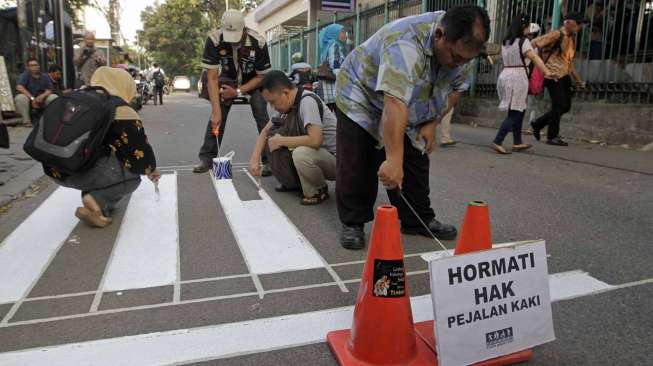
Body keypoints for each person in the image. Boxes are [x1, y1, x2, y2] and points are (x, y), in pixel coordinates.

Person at [335, 6, 490, 249]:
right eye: (456, 58)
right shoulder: (404, 43)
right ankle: (353, 222)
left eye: (465, 60)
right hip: (360, 94)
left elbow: (457, 89)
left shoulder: (462, 51)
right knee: (358, 159)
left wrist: (432, 122)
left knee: (416, 158)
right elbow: (394, 103)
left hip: (410, 102)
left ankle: (417, 220)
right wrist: (393, 160)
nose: (458, 65)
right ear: (439, 35)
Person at [44, 67, 160, 228]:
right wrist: (150, 169)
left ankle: (98, 210)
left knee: (105, 157)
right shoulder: (120, 109)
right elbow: (138, 150)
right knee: (132, 177)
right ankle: (96, 200)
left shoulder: (74, 98)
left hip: (55, 169)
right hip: (83, 169)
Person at [194, 9, 271, 175]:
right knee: (217, 115)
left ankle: (270, 159)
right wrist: (215, 111)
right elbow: (212, 78)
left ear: (244, 29)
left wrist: (237, 91)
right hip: (228, 79)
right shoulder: (214, 40)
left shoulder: (258, 43)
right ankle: (207, 158)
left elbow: (261, 77)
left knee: (261, 113)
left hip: (254, 82)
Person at [249, 71, 337, 205]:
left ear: (285, 92)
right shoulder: (287, 104)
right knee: (272, 137)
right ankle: (293, 183)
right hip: (319, 155)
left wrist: (282, 141)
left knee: (299, 152)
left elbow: (315, 140)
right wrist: (255, 159)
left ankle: (318, 189)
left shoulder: (307, 102)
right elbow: (265, 131)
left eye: (273, 102)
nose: (273, 107)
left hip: (337, 161)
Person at [492, 15, 553, 154]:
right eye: (527, 27)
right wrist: (547, 72)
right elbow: (534, 57)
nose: (528, 30)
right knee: (515, 112)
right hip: (518, 77)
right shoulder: (524, 42)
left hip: (505, 75)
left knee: (517, 109)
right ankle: (498, 140)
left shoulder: (505, 42)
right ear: (522, 28)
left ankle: (517, 142)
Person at [530, 12, 588, 146]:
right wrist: (536, 62)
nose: (580, 27)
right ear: (568, 22)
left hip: (564, 74)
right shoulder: (556, 34)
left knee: (566, 106)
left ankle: (538, 124)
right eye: (578, 23)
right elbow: (534, 43)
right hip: (552, 74)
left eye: (581, 24)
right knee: (559, 104)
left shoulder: (572, 38)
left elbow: (568, 61)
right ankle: (552, 136)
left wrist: (578, 80)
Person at [14, 58, 57, 127]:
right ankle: (26, 121)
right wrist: (32, 99)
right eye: (31, 65)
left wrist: (42, 96)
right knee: (20, 98)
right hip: (29, 99)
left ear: (39, 66)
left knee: (53, 97)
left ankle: (51, 120)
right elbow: (19, 87)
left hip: (42, 100)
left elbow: (50, 89)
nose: (34, 67)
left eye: (35, 65)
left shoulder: (45, 76)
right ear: (28, 67)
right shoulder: (25, 75)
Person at [316, 24, 347, 111]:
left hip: (325, 86)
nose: (345, 34)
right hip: (332, 86)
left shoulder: (327, 46)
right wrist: (342, 80)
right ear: (335, 33)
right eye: (342, 32)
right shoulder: (334, 44)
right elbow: (335, 63)